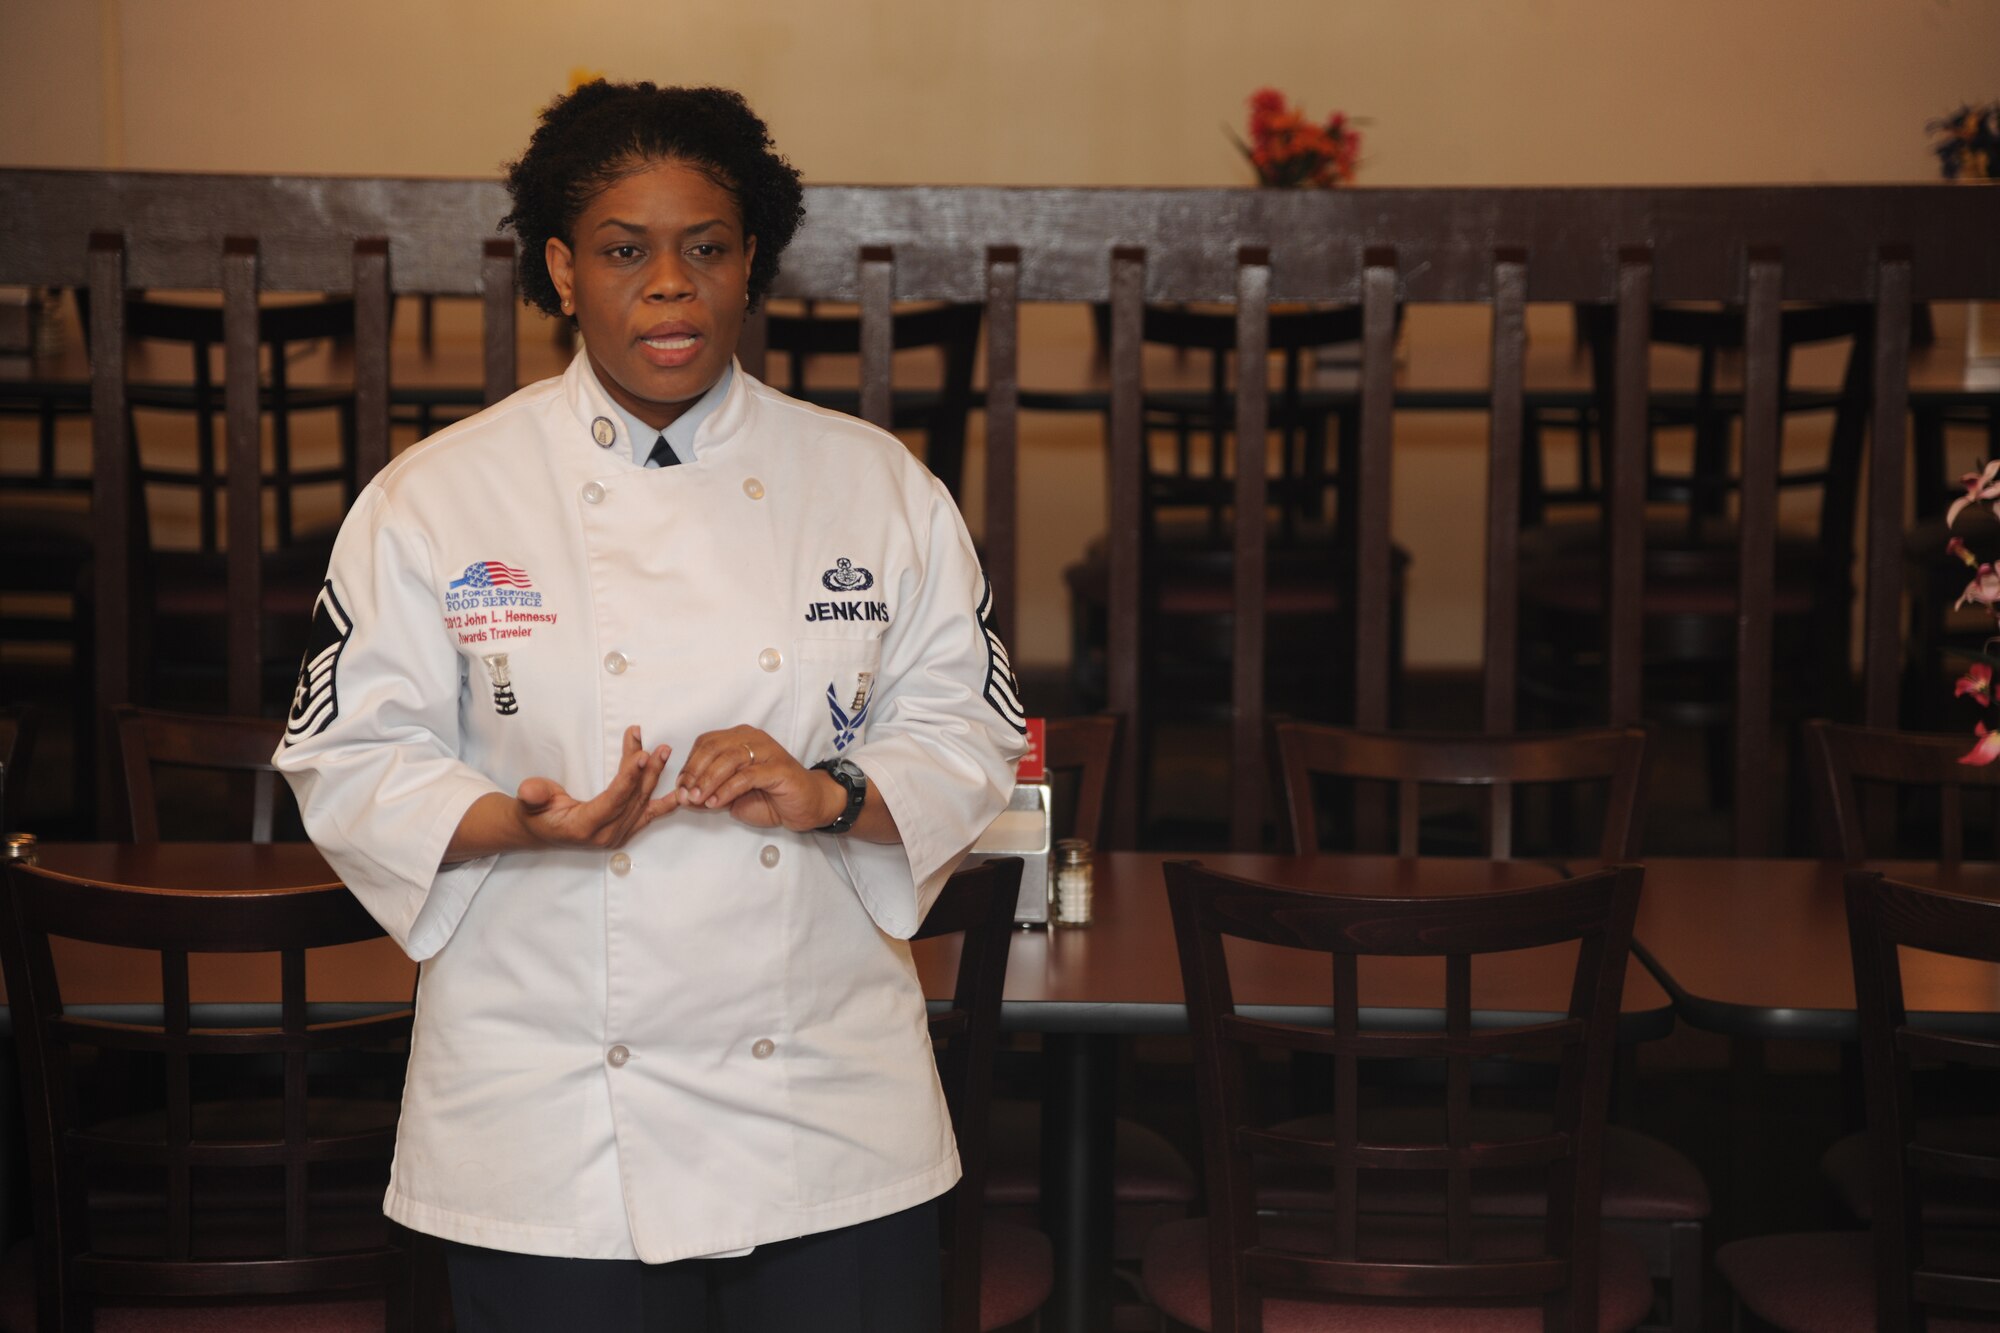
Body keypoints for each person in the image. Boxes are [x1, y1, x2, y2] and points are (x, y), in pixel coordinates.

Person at [274, 80, 1027, 1332]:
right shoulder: (437, 498)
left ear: (749, 269)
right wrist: (522, 824)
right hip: (547, 1119)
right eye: (626, 251)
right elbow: (344, 757)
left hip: (823, 1121)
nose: (669, 287)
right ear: (563, 270)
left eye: (706, 249)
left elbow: (972, 729)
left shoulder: (875, 486)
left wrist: (834, 792)